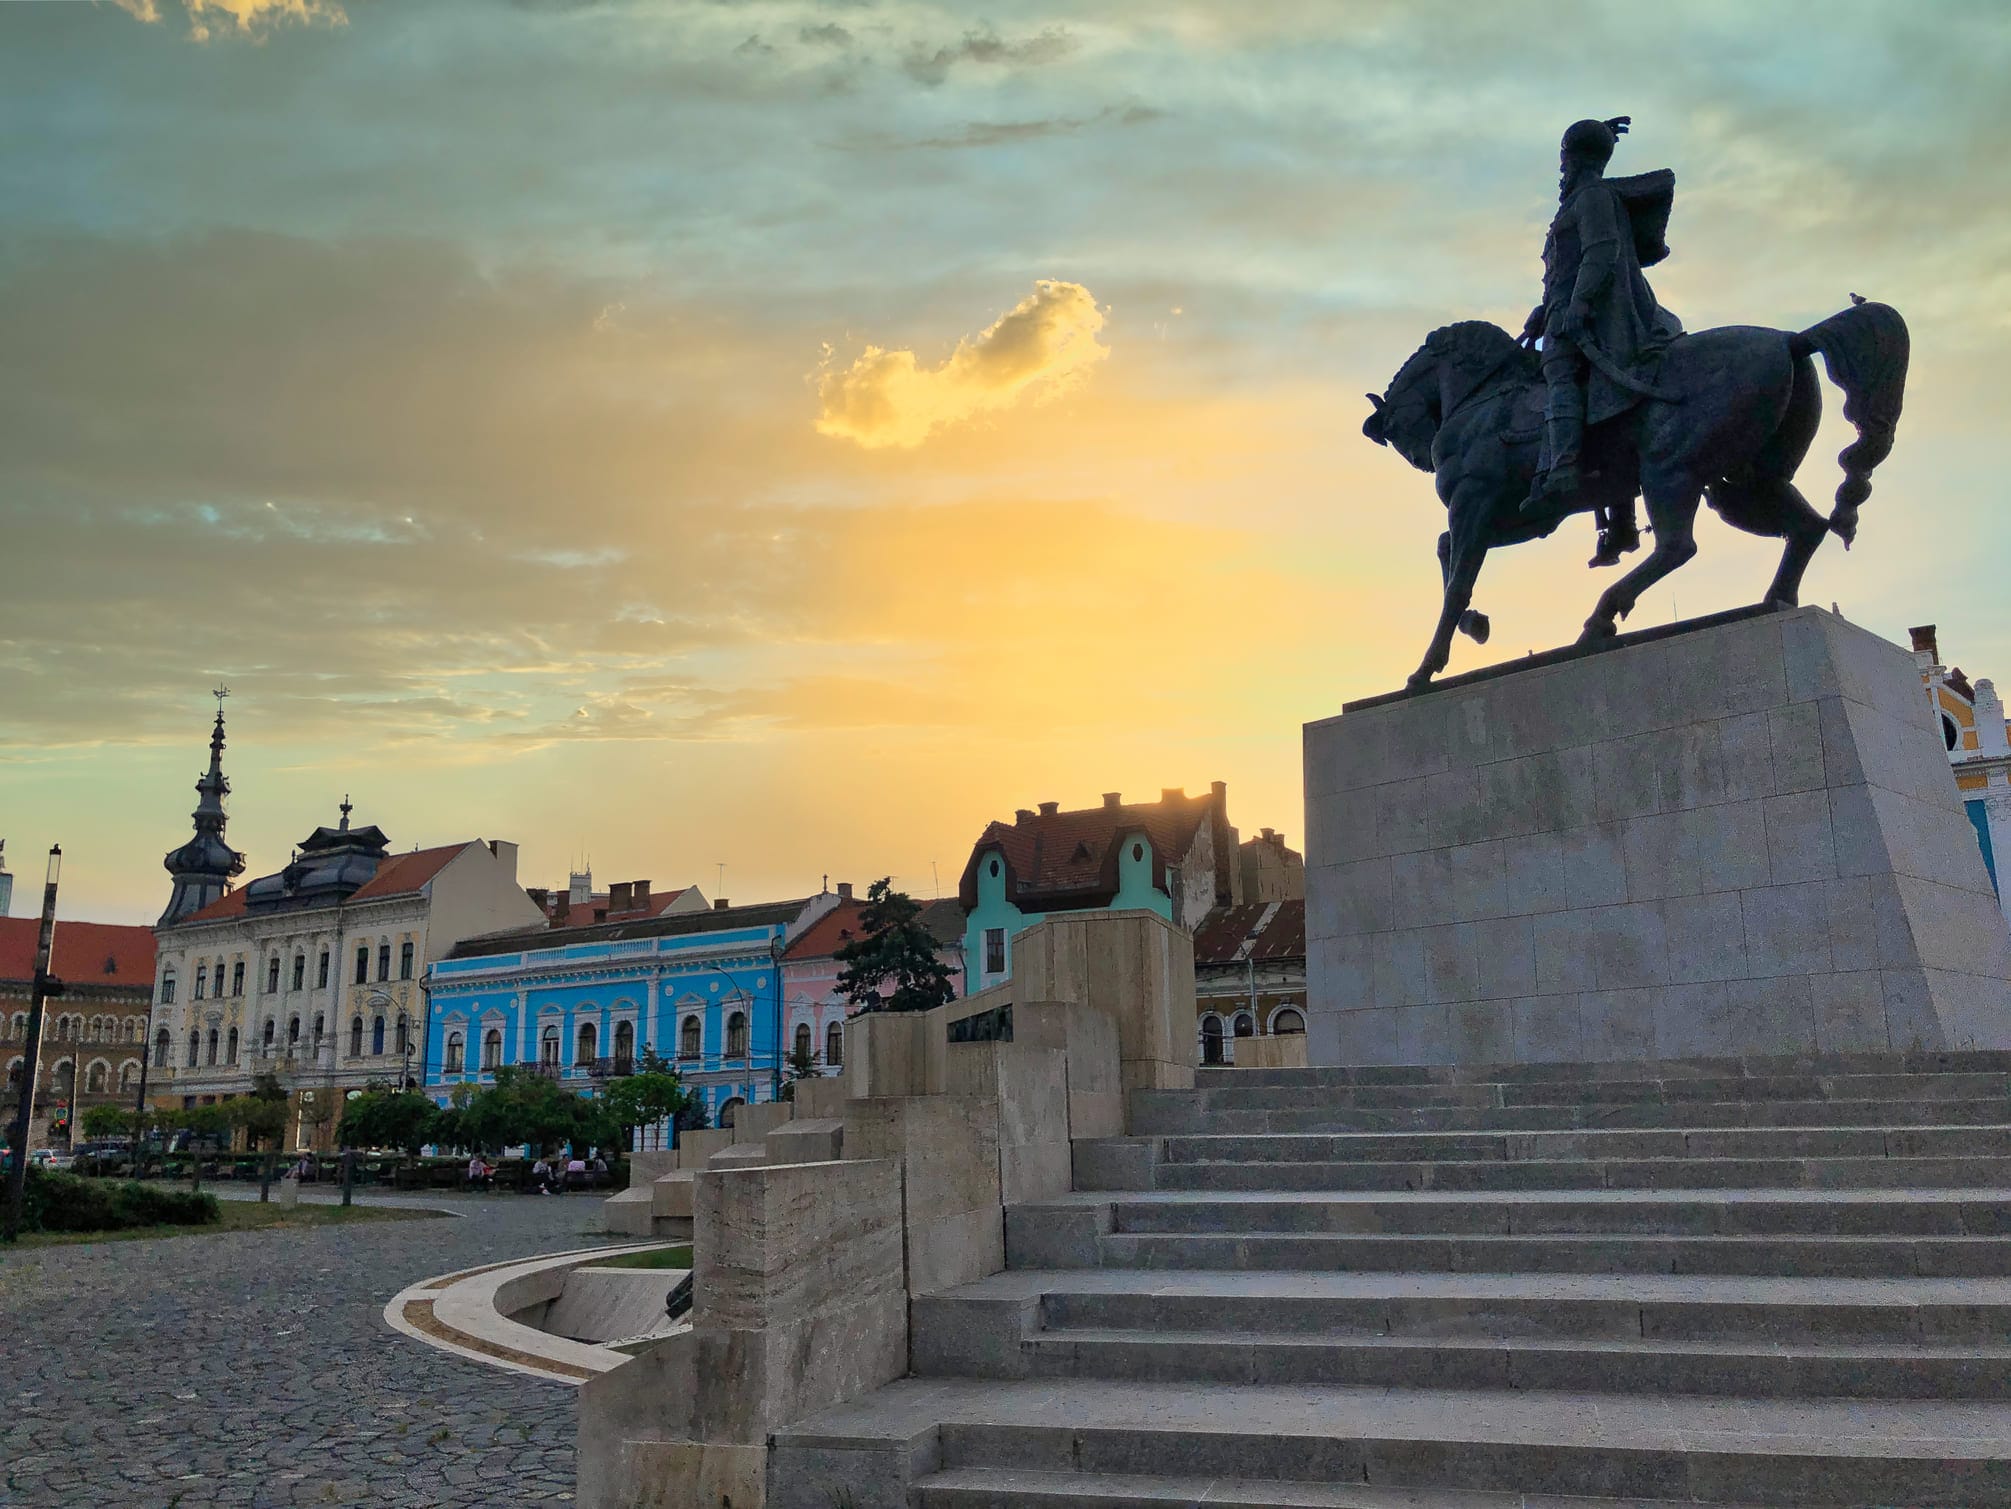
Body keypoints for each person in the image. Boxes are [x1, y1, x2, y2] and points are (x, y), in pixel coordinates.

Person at [1519, 116, 1682, 568]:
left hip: (1593, 317)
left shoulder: (1590, 197)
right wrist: (1543, 309)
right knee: (1600, 402)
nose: (1560, 172)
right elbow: (1563, 269)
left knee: (1559, 373)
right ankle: (1619, 518)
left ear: (1574, 161)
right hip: (1563, 308)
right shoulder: (1581, 198)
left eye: (1564, 161)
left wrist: (1579, 305)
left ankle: (1566, 467)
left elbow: (1601, 250)